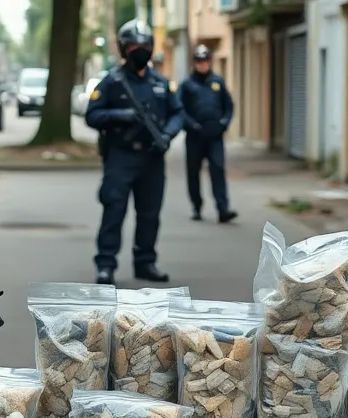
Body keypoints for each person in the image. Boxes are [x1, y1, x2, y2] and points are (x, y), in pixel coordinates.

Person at [85, 19, 184, 285]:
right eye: (133, 46)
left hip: (152, 158)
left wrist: (167, 134)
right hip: (121, 156)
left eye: (144, 45)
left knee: (150, 213)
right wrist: (120, 115)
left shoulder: (162, 83)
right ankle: (105, 265)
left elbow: (178, 113)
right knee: (114, 211)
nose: (139, 50)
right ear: (123, 49)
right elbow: (92, 115)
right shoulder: (112, 82)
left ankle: (145, 262)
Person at [179, 44, 237, 223]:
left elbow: (229, 106)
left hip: (214, 136)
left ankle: (223, 209)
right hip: (195, 136)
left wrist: (224, 123)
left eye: (205, 61)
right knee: (193, 173)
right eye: (199, 61)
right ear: (194, 63)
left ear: (209, 62)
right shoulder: (187, 85)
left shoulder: (217, 82)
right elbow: (179, 109)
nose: (202, 64)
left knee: (218, 170)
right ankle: (196, 206)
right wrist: (191, 124)